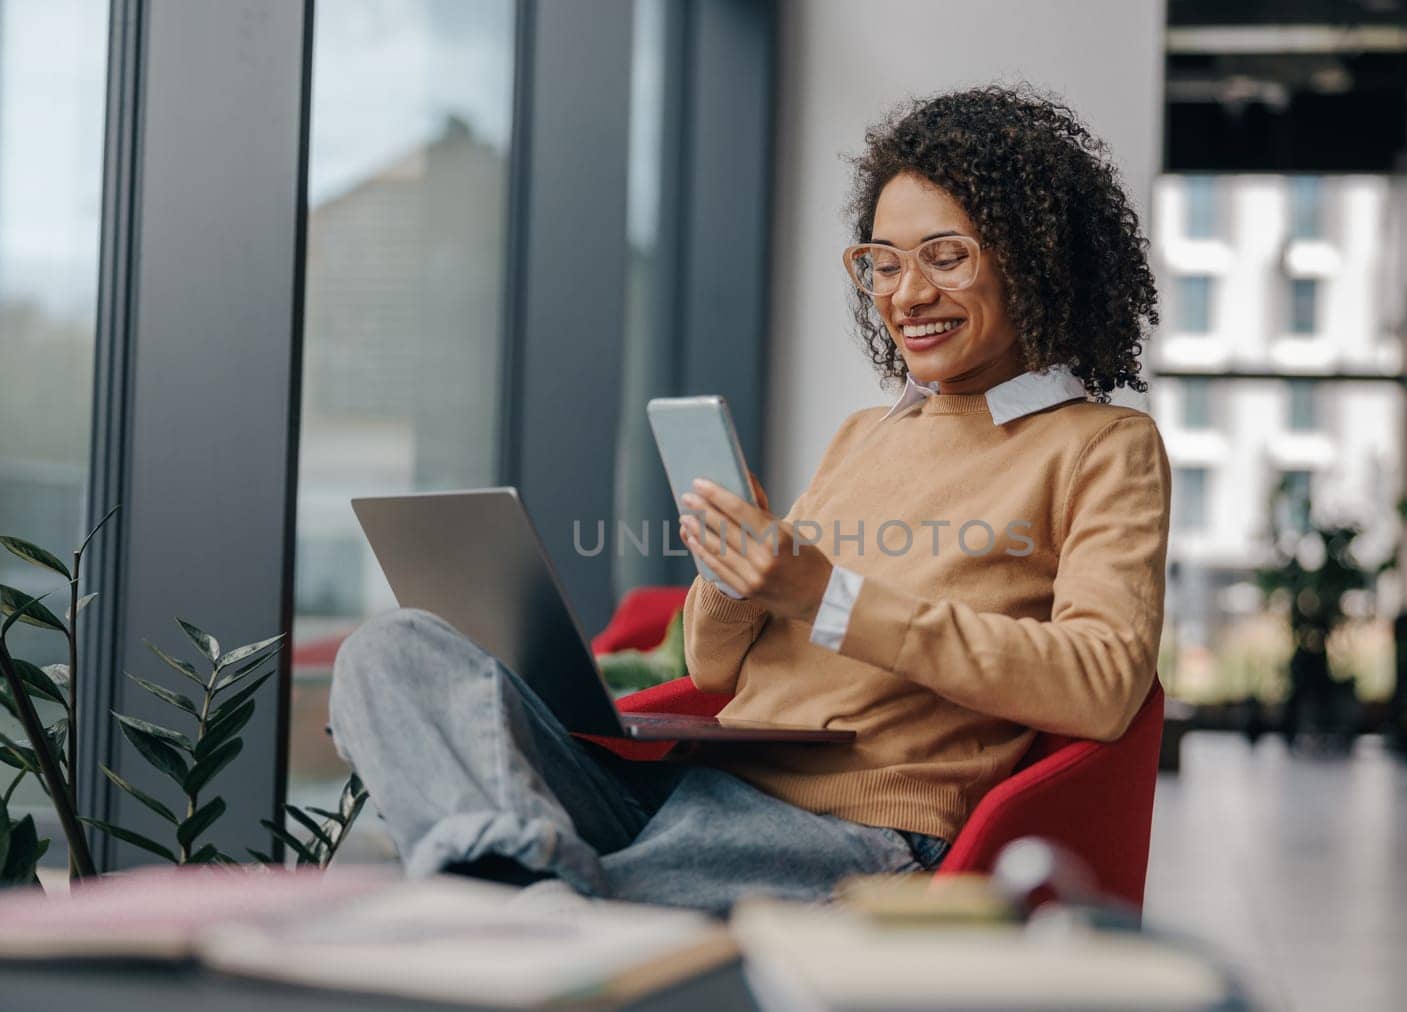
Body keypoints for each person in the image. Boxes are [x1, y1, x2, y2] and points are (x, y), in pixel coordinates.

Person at [329, 85, 1171, 915]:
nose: (905, 294)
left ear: (1034, 256)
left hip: (850, 838)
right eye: (882, 261)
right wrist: (733, 576)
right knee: (392, 650)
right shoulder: (866, 434)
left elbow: (1099, 686)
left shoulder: (1100, 446)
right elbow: (714, 667)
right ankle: (520, 886)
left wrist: (828, 596)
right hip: (698, 793)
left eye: (944, 256)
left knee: (583, 899)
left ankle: (516, 899)